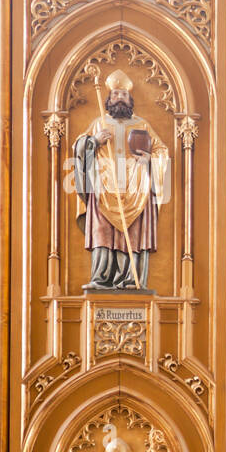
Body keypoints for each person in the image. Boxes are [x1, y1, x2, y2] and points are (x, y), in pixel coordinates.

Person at [72, 69, 171, 291]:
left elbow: (161, 150)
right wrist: (93, 142)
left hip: (136, 190)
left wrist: (149, 159)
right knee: (103, 232)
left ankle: (131, 280)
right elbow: (78, 147)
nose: (119, 98)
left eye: (123, 95)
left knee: (133, 235)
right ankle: (101, 278)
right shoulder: (99, 123)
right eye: (115, 94)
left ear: (130, 99)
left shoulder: (142, 125)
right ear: (109, 99)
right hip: (105, 188)